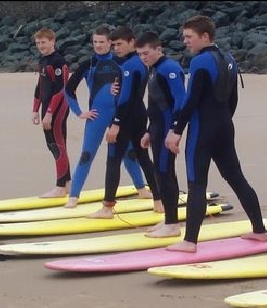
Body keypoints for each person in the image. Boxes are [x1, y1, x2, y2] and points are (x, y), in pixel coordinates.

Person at [164, 15, 267, 252]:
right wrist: (222, 122)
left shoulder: (200, 62)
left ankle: (189, 242)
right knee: (236, 178)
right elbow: (233, 99)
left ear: (205, 37)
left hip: (203, 131)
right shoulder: (230, 59)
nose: (185, 41)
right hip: (224, 127)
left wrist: (176, 131)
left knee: (196, 183)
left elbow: (191, 101)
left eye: (189, 37)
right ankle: (259, 230)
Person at [63, 25, 153, 209]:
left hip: (119, 117)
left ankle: (141, 189)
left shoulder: (121, 62)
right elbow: (68, 89)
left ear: (110, 43)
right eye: (95, 42)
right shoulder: (88, 64)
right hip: (97, 116)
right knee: (87, 155)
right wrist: (80, 112)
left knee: (129, 154)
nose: (98, 45)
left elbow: (132, 87)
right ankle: (73, 196)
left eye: (102, 42)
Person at [87, 26, 162, 219]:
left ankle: (107, 208)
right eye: (114, 45)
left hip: (126, 117)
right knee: (144, 158)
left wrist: (116, 124)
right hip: (139, 115)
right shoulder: (139, 62)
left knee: (113, 160)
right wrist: (116, 88)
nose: (116, 49)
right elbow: (128, 92)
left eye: (119, 44)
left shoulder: (129, 66)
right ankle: (159, 201)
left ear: (132, 42)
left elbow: (126, 98)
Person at [136, 31, 188, 237]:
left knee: (165, 173)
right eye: (140, 54)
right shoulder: (153, 70)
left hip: (167, 129)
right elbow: (155, 105)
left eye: (146, 53)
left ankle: (173, 224)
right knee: (160, 173)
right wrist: (149, 130)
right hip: (157, 129)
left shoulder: (170, 69)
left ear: (159, 49)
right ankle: (169, 219)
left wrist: (175, 130)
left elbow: (180, 101)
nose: (143, 57)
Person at [31, 28, 71, 198]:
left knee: (57, 145)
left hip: (58, 108)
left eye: (44, 42)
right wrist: (34, 109)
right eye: (38, 43)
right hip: (47, 107)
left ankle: (60, 187)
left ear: (52, 41)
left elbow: (60, 89)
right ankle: (67, 183)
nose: (41, 46)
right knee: (53, 145)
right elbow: (40, 87)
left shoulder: (58, 62)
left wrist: (49, 113)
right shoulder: (43, 61)